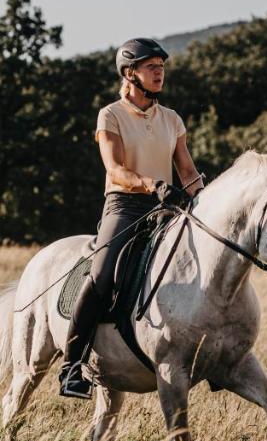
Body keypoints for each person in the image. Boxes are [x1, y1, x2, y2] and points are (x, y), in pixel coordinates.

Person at [59, 37, 203, 399]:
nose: (159, 73)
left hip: (167, 207)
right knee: (102, 275)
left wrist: (204, 196)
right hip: (124, 207)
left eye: (161, 67)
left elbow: (186, 171)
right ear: (130, 73)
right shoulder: (110, 115)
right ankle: (72, 366)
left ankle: (213, 358)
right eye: (151, 67)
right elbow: (116, 169)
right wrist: (152, 184)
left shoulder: (172, 119)